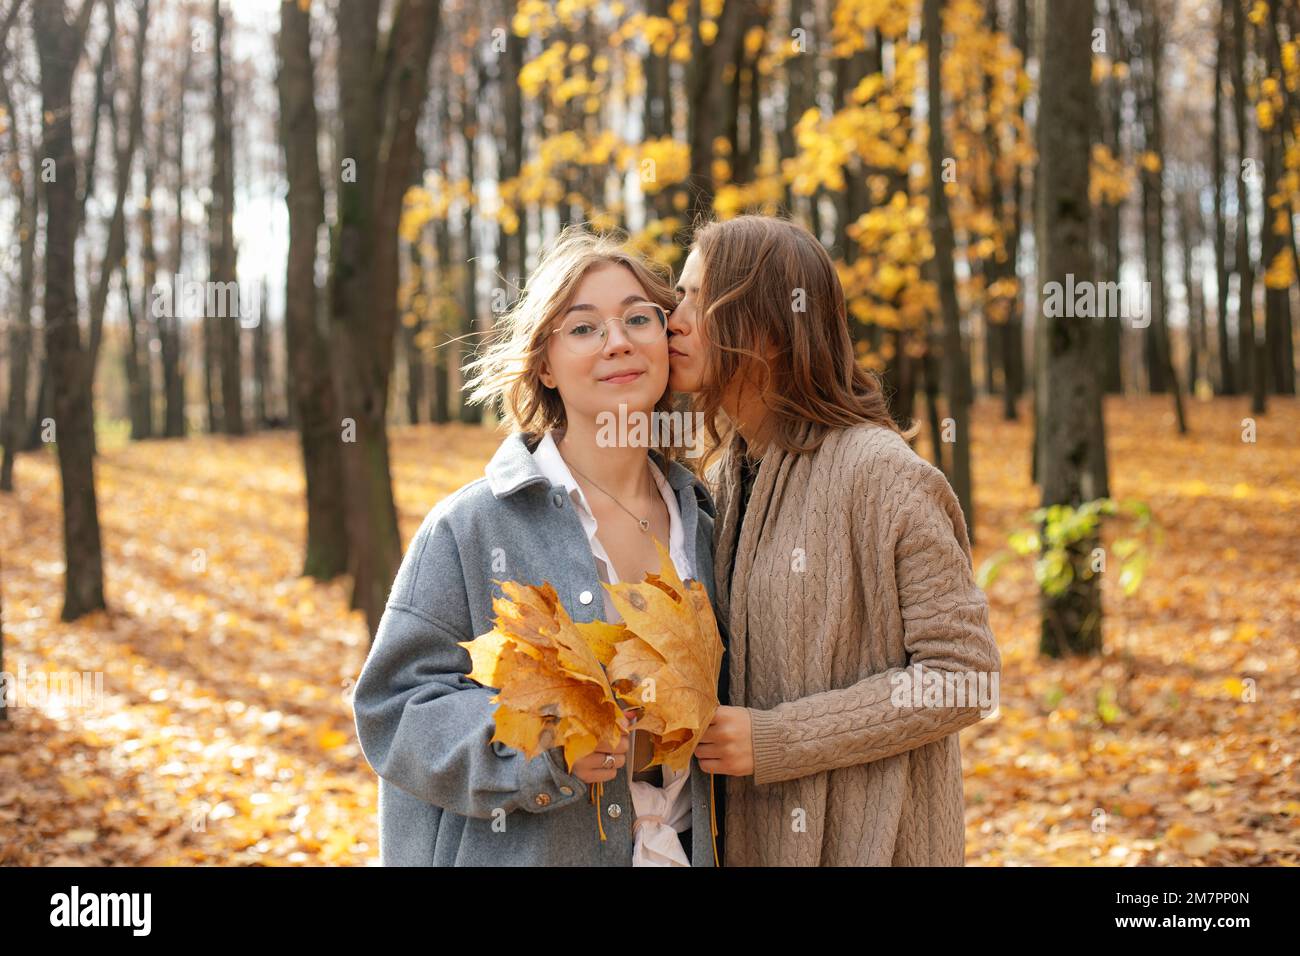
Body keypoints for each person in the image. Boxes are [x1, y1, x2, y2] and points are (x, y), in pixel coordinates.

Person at [352, 227, 721, 865]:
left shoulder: (708, 524)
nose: (618, 342)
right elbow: (394, 708)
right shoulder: (471, 528)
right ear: (544, 364)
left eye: (639, 318)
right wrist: (545, 747)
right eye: (583, 328)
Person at [666, 214, 1002, 865]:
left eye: (697, 298)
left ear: (767, 327)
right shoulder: (725, 476)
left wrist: (781, 739)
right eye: (678, 296)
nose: (673, 318)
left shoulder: (883, 475)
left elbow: (963, 676)